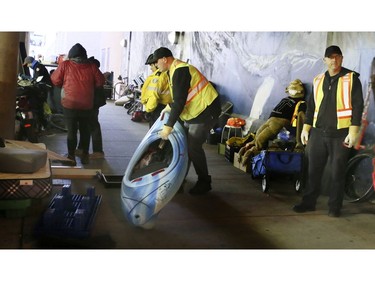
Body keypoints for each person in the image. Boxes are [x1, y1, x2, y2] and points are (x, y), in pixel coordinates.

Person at [292, 45, 364, 217]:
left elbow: (358, 106)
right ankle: (308, 202)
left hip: (341, 133)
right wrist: (306, 128)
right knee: (313, 170)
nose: (334, 60)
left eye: (337, 56)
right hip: (317, 132)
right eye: (330, 57)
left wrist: (353, 132)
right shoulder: (318, 80)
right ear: (324, 60)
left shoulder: (351, 78)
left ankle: (334, 207)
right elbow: (311, 107)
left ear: (342, 58)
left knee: (337, 171)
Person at [153, 47, 221, 195]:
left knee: (192, 146)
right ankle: (179, 179)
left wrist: (168, 126)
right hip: (195, 111)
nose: (156, 65)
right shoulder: (173, 71)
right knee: (184, 145)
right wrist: (169, 107)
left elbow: (180, 101)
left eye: (156, 62)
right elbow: (182, 95)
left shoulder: (180, 70)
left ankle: (204, 182)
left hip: (206, 110)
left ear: (165, 59)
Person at [51, 43, 105, 165]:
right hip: (86, 104)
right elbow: (100, 81)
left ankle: (71, 156)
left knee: (71, 130)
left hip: (69, 104)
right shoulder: (91, 66)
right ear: (84, 55)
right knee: (85, 130)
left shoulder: (65, 65)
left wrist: (65, 87)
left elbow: (55, 80)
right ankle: (84, 155)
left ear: (71, 55)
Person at [76, 56, 106, 159]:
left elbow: (96, 85)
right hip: (89, 101)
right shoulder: (93, 71)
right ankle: (82, 148)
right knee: (85, 125)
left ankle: (97, 151)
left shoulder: (92, 72)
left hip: (92, 102)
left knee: (93, 125)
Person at [141, 53, 172, 128]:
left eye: (151, 65)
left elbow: (154, 95)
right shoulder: (165, 73)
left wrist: (148, 110)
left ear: (156, 64)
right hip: (165, 107)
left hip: (158, 108)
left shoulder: (158, 76)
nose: (150, 68)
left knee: (154, 134)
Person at [23, 56, 53, 127]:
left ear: (30, 63)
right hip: (42, 88)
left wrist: (28, 80)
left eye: (27, 64)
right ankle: (42, 124)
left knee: (39, 106)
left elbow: (36, 79)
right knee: (40, 106)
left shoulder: (38, 67)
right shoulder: (37, 66)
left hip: (43, 89)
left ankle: (43, 124)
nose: (27, 66)